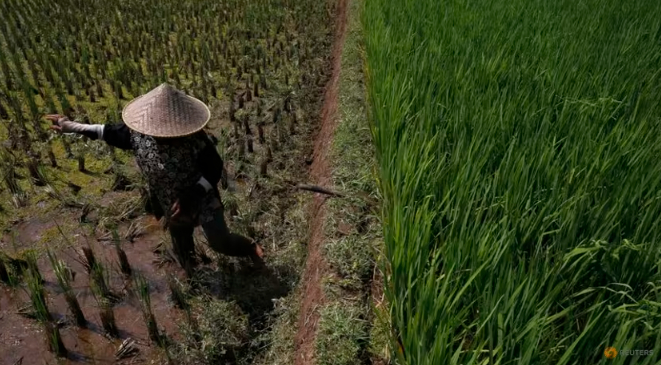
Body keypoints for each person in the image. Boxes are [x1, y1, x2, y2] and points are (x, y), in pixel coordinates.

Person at [46, 83, 264, 277]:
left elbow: (214, 169)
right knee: (182, 245)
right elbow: (106, 131)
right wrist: (70, 126)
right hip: (169, 200)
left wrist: (193, 195)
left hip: (201, 195)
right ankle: (193, 275)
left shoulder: (196, 140)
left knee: (220, 241)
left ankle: (250, 247)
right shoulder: (137, 135)